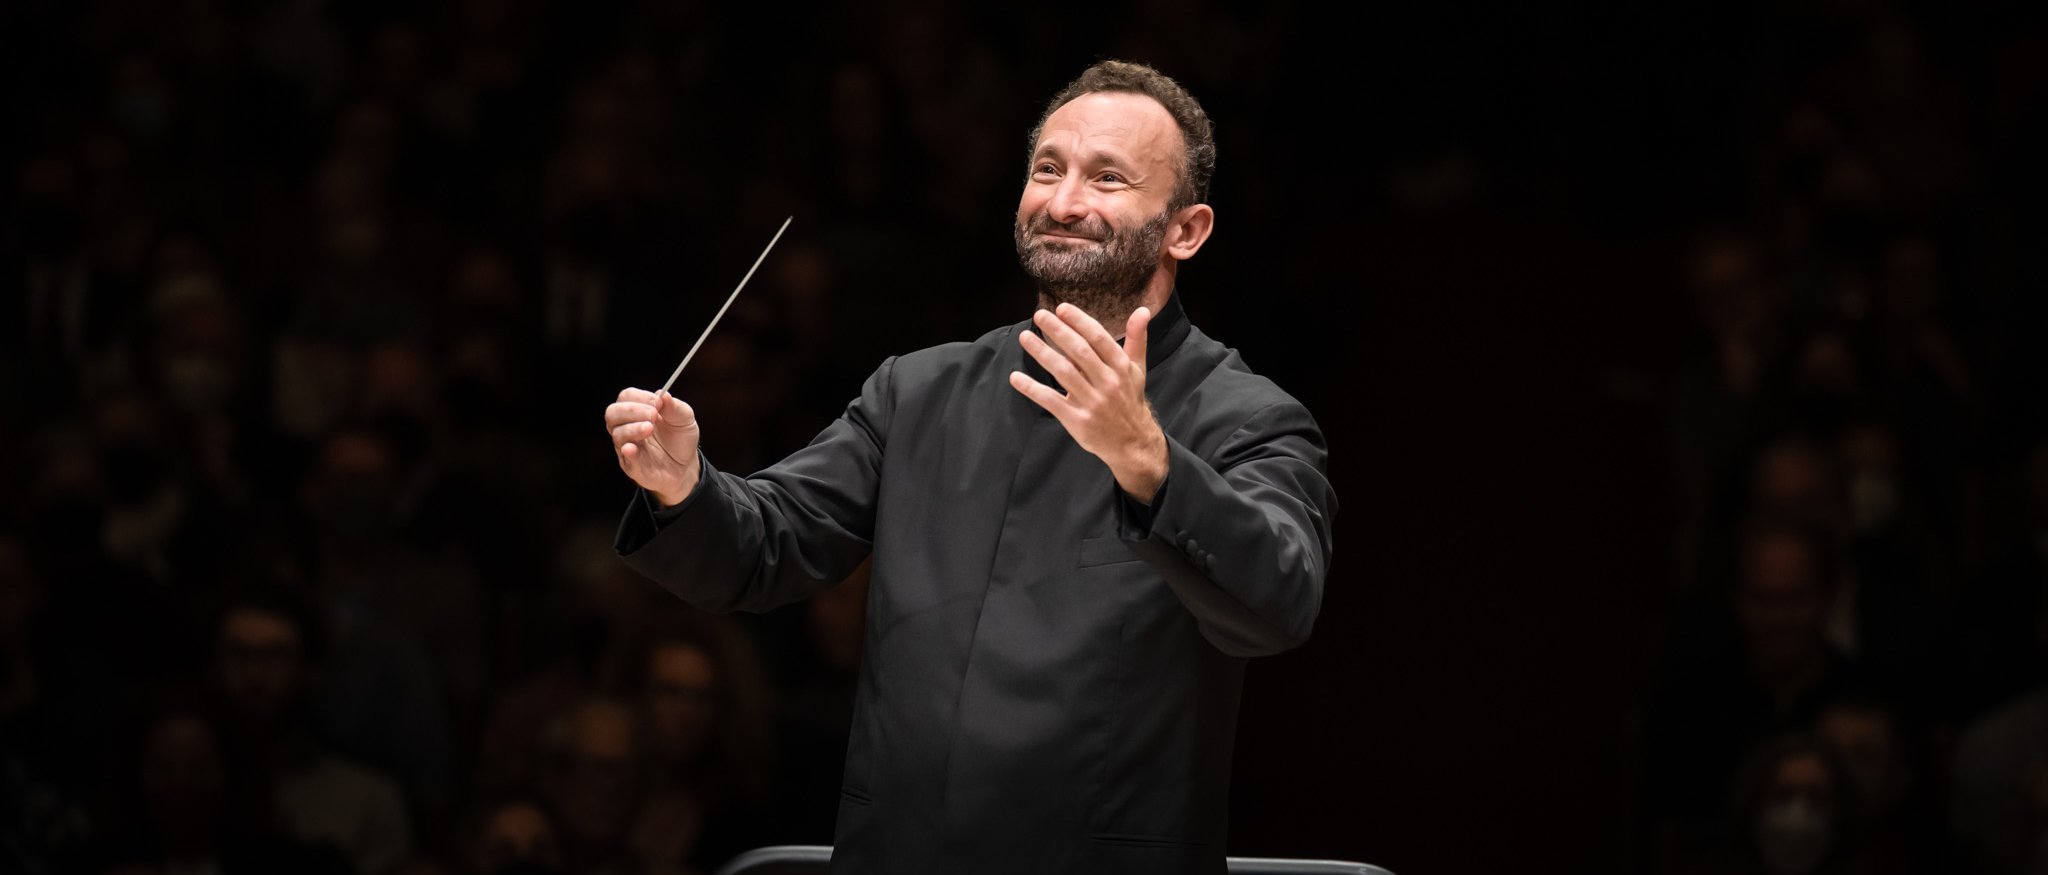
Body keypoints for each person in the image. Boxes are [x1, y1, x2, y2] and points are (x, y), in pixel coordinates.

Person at [602, 59, 1336, 874]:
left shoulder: (1246, 414)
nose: (1063, 203)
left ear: (1186, 230)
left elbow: (1280, 600)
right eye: (1048, 169)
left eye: (1108, 178)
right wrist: (683, 484)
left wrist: (1150, 462)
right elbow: (765, 546)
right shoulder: (919, 390)